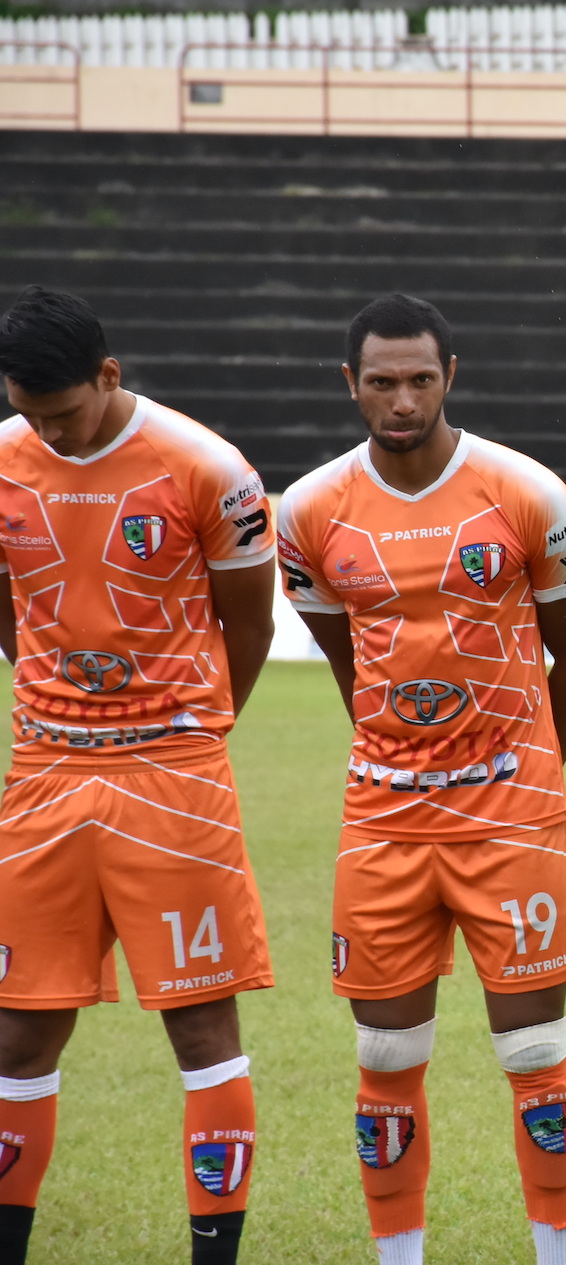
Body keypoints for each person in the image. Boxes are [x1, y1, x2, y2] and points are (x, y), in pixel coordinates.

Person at [277, 295, 566, 1265]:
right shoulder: (307, 511)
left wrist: (533, 780)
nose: (402, 398)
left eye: (421, 378)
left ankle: (558, 1256)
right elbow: (349, 666)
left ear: (450, 375)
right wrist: (400, 763)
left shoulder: (528, 492)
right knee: (383, 1056)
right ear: (351, 386)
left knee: (535, 1051)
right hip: (384, 815)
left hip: (510, 807)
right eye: (381, 381)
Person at [0, 286, 278, 1265]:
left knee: (201, 1027)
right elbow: (8, 604)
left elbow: (250, 622)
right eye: (30, 414)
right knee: (17, 1036)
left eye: (64, 413)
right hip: (44, 773)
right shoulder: (3, 459)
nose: (48, 433)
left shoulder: (207, 468)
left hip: (173, 773)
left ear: (109, 378)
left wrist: (196, 728)